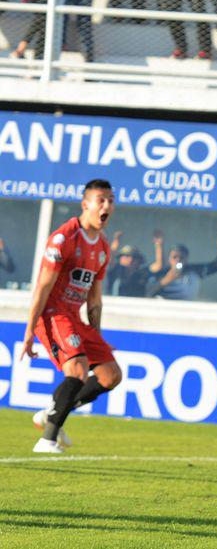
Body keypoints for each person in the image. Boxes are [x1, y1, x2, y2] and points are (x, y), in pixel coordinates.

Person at [20, 179, 123, 453]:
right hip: (52, 314)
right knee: (77, 370)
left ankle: (52, 413)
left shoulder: (102, 247)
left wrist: (97, 338)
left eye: (111, 201)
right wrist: (29, 331)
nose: (107, 206)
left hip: (74, 317)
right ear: (85, 204)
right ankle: (47, 441)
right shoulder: (64, 238)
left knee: (110, 375)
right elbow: (42, 287)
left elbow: (94, 299)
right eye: (101, 200)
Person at [146, 236, 217, 300]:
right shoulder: (161, 273)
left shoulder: (194, 271)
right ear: (169, 259)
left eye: (181, 257)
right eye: (175, 257)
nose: (178, 259)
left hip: (186, 311)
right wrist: (166, 280)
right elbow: (147, 293)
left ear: (186, 259)